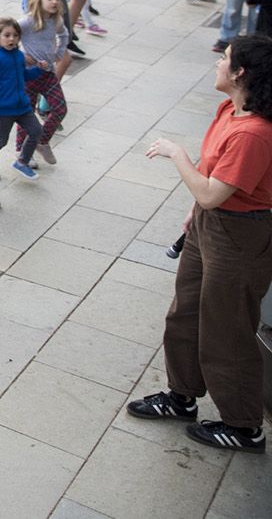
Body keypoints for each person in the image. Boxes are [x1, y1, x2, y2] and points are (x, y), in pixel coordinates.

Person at [129, 36, 272, 453]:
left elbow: (212, 190)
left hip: (240, 236)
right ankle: (181, 396)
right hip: (211, 223)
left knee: (227, 329)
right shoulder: (229, 109)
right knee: (185, 313)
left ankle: (244, 426)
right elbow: (213, 188)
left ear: (240, 73)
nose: (218, 64)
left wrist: (177, 155)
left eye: (224, 60)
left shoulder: (255, 133)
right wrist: (198, 210)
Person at [0, 16, 43, 180]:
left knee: (36, 130)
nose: (12, 39)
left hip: (22, 106)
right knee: (1, 139)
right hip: (3, 109)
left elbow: (24, 76)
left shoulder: (19, 56)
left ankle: (22, 161)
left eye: (15, 35)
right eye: (7, 35)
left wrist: (38, 70)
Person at [18, 0, 70, 167]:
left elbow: (64, 34)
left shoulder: (56, 21)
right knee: (26, 113)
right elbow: (8, 34)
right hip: (29, 75)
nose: (55, 2)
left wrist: (59, 52)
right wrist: (21, 57)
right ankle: (23, 152)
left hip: (48, 74)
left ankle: (42, 141)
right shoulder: (27, 21)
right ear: (38, 0)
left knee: (60, 108)